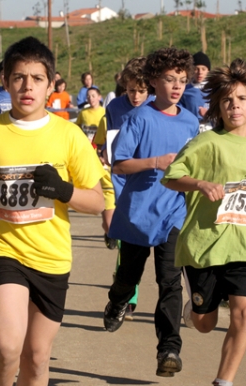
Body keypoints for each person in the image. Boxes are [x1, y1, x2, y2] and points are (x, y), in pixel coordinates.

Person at [0, 36, 104, 386]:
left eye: (37, 78)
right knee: (7, 347)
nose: (27, 86)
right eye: (19, 77)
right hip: (3, 250)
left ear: (51, 84)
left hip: (51, 258)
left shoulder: (69, 135)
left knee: (35, 357)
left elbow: (97, 202)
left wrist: (63, 190)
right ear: (5, 81)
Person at [163, 59, 246, 386]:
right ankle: (196, 307)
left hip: (243, 246)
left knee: (245, 313)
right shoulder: (205, 144)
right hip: (204, 246)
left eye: (241, 99)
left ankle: (223, 382)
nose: (234, 106)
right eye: (227, 100)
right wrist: (200, 185)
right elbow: (171, 177)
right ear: (218, 107)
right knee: (205, 324)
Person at [103, 47, 199, 378]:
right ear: (154, 81)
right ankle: (117, 301)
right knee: (128, 278)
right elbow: (119, 164)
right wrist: (156, 162)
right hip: (139, 214)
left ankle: (169, 349)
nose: (176, 86)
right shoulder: (138, 117)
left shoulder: (191, 121)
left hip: (174, 213)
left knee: (170, 282)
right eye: (170, 79)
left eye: (182, 81)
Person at [92, 56, 153, 317]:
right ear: (123, 86)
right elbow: (108, 139)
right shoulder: (115, 107)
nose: (136, 97)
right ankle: (129, 297)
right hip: (120, 180)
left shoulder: (157, 106)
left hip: (150, 181)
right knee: (127, 240)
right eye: (131, 90)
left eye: (142, 91)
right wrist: (106, 152)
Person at [179, 51, 212, 133]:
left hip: (211, 127)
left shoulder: (214, 88)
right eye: (196, 69)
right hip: (192, 128)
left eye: (203, 69)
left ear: (208, 70)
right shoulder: (185, 89)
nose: (200, 72)